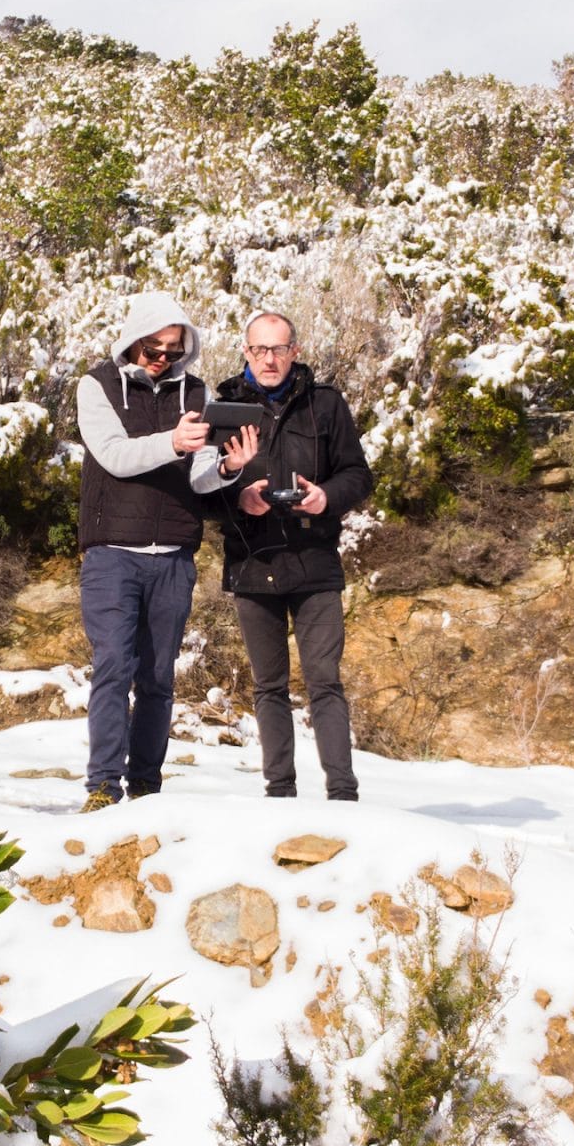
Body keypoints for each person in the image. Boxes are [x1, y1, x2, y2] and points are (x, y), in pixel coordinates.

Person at [73, 291, 246, 810]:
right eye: (153, 349)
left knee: (157, 677)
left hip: (173, 555)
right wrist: (172, 441)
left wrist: (228, 468)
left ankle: (146, 785)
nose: (163, 359)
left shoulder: (196, 391)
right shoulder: (96, 385)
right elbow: (114, 456)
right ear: (133, 341)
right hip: (111, 554)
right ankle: (103, 786)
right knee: (113, 667)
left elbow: (198, 475)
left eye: (173, 350)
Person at [211, 309, 372, 800]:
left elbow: (358, 475)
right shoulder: (223, 408)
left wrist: (326, 496)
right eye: (259, 349)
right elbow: (200, 490)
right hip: (252, 561)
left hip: (315, 560)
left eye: (279, 349)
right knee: (269, 686)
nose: (269, 359)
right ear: (245, 351)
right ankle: (279, 790)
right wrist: (239, 495)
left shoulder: (324, 404)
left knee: (325, 681)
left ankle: (342, 793)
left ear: (295, 352)